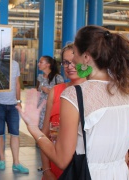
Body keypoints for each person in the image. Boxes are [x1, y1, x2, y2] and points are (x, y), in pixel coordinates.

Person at [16, 25, 129, 179]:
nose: (73, 60)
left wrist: (33, 128)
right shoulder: (124, 93)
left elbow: (61, 159)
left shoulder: (75, 94)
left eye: (75, 53)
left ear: (86, 57)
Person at [40, 43, 86, 180]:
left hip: (82, 168)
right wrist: (46, 170)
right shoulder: (56, 91)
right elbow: (45, 134)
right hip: (56, 168)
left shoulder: (93, 92)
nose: (70, 66)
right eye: (66, 62)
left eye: (74, 62)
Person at [0, 59, 29, 174]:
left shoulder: (16, 64)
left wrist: (18, 101)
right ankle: (2, 159)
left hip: (12, 105)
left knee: (15, 133)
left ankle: (16, 163)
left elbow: (17, 83)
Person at [36, 56, 64, 130]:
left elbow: (61, 95)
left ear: (48, 64)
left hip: (50, 109)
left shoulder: (57, 78)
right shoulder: (40, 77)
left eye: (41, 62)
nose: (38, 64)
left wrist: (49, 91)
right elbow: (37, 92)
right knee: (39, 132)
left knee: (50, 132)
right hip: (40, 109)